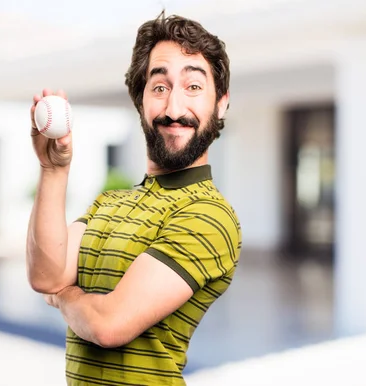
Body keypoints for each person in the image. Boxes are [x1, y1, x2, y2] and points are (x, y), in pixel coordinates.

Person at [27, 12, 241, 386]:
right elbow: (46, 275)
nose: (174, 109)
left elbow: (109, 325)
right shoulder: (109, 204)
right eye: (159, 88)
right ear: (140, 99)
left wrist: (67, 299)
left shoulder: (209, 215)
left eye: (193, 86)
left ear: (220, 104)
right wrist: (53, 170)